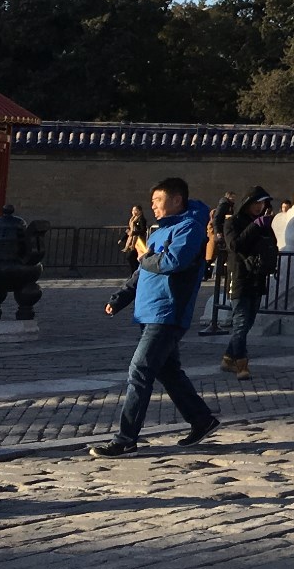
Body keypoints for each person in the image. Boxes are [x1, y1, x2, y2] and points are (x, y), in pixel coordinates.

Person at [90, 177, 219, 457]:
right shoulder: (160, 229)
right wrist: (120, 298)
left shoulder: (189, 228)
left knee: (140, 370)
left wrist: (145, 257)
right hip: (150, 310)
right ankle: (201, 419)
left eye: (158, 201)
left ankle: (126, 438)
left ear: (176, 200)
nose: (154, 206)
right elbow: (143, 270)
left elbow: (172, 262)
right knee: (167, 371)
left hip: (168, 311)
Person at [220, 186, 279, 379]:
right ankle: (241, 364)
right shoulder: (233, 222)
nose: (259, 207)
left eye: (262, 203)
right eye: (256, 203)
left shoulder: (263, 224)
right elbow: (235, 245)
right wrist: (255, 226)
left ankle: (228, 357)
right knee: (241, 321)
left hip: (257, 276)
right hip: (239, 277)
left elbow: (272, 245)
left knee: (248, 322)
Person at [200, 192, 236, 336]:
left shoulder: (228, 205)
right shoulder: (224, 205)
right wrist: (218, 233)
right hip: (219, 237)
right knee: (211, 259)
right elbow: (217, 220)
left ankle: (206, 273)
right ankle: (204, 274)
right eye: (233, 196)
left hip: (220, 237)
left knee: (212, 260)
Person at [120, 205, 149, 273]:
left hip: (138, 241)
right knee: (131, 258)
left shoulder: (141, 219)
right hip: (132, 241)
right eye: (133, 210)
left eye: (136, 210)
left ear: (140, 211)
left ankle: (135, 272)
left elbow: (143, 230)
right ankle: (134, 272)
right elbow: (129, 230)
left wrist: (133, 232)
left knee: (131, 257)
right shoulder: (132, 220)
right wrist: (122, 239)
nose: (134, 212)